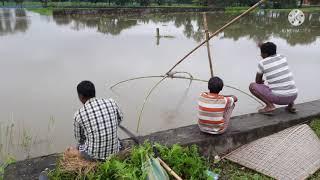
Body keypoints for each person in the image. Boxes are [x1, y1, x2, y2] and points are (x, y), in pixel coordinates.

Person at [69, 80, 123, 161]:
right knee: (118, 140)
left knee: (78, 146)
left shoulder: (79, 114)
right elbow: (120, 118)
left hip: (93, 157)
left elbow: (80, 139)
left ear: (80, 96)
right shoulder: (111, 102)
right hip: (115, 152)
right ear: (94, 92)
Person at [249, 42, 298, 114]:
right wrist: (262, 46)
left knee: (252, 86)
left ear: (265, 54)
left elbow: (257, 81)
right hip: (294, 95)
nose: (260, 55)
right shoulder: (283, 57)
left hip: (279, 99)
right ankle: (291, 105)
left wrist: (261, 82)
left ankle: (270, 106)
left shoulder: (262, 63)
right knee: (284, 82)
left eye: (261, 53)